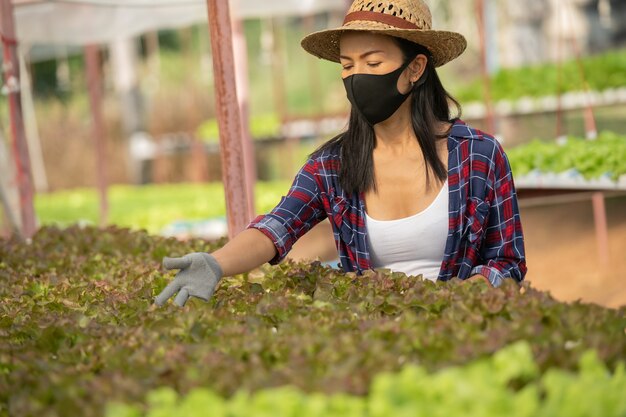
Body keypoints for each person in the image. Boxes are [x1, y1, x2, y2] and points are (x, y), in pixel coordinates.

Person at [155, 0, 527, 307]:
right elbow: (276, 227)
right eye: (348, 66)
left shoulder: (479, 154)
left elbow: (507, 262)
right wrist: (216, 263)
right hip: (371, 341)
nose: (357, 76)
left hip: (461, 331)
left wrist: (459, 300)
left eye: (373, 63)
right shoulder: (332, 165)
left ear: (415, 68)